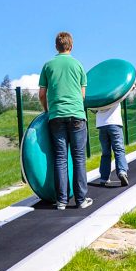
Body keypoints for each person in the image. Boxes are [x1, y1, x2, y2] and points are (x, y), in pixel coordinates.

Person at [38, 31, 92, 210]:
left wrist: (48, 111)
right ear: (71, 46)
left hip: (56, 116)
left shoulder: (48, 66)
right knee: (78, 159)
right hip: (76, 115)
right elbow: (82, 95)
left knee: (60, 158)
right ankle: (81, 200)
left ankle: (61, 201)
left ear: (56, 46)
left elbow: (42, 94)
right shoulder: (78, 65)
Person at [93, 101, 129, 186]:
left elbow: (93, 108)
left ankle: (104, 178)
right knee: (119, 150)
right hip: (114, 122)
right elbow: (125, 91)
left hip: (101, 124)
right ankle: (122, 172)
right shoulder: (115, 88)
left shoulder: (98, 91)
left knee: (105, 153)